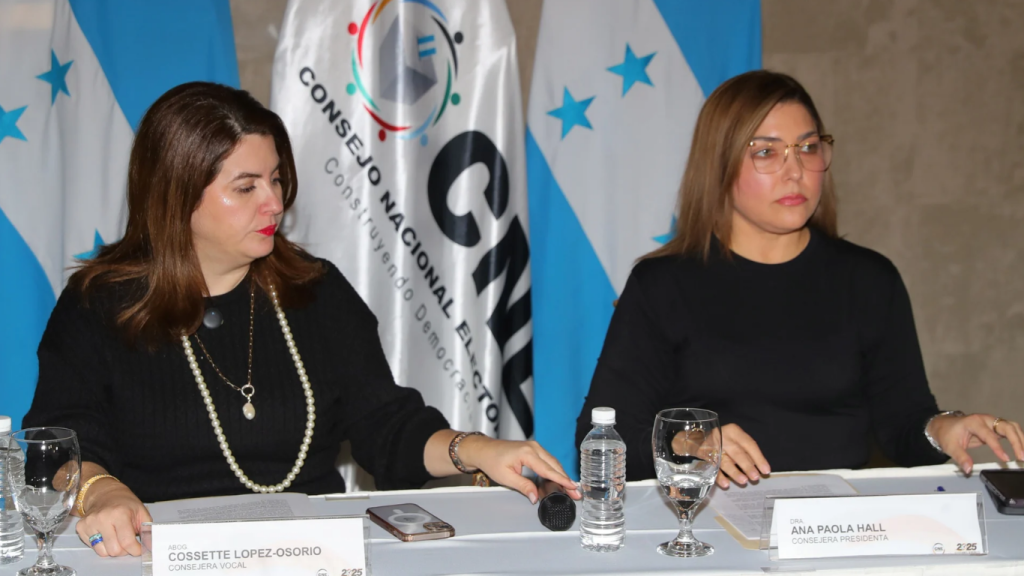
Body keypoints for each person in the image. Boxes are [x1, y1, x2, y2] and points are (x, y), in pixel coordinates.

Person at [22, 82, 579, 558]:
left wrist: (475, 449)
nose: (273, 202)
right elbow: (58, 445)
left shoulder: (316, 290)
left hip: (313, 556)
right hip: (159, 555)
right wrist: (99, 491)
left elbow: (386, 426)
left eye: (276, 179)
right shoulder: (100, 305)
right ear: (177, 196)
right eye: (246, 187)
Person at [576, 70, 1024, 489]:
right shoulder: (663, 285)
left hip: (838, 527)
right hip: (707, 525)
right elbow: (600, 441)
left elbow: (903, 427)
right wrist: (691, 442)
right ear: (719, 166)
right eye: (766, 152)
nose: (796, 172)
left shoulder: (869, 280)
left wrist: (943, 428)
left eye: (808, 148)